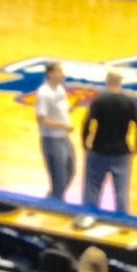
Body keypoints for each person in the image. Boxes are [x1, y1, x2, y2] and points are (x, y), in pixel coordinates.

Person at [80, 69, 137, 215]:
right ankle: (123, 224)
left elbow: (87, 123)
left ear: (107, 81)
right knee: (121, 192)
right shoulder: (129, 101)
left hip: (98, 150)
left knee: (92, 189)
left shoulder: (99, 100)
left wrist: (85, 143)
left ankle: (88, 218)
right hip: (121, 151)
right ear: (120, 82)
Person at [35, 61, 75, 203]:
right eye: (59, 71)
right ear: (51, 74)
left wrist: (71, 108)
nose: (63, 74)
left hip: (63, 137)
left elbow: (62, 109)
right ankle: (55, 203)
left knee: (70, 171)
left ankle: (52, 198)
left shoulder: (60, 89)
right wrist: (63, 125)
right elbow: (42, 119)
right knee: (59, 176)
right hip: (51, 139)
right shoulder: (44, 93)